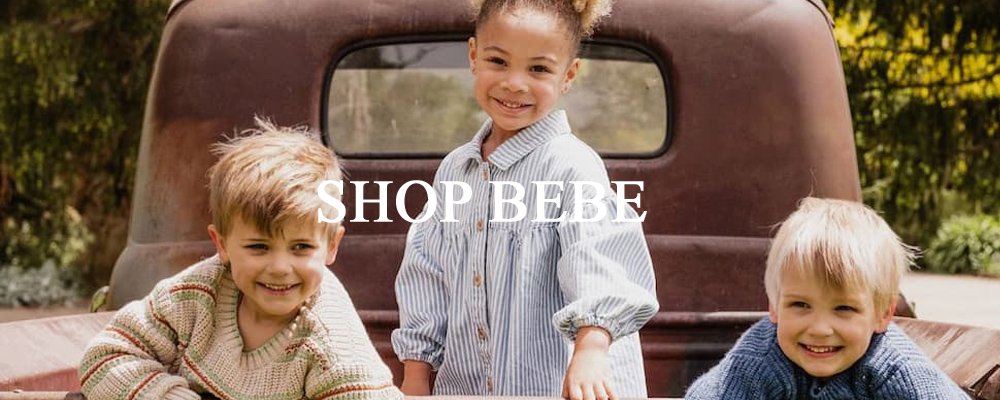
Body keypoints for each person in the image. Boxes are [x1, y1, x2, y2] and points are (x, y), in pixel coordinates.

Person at [391, 0, 659, 399]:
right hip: (464, 388)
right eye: (498, 61)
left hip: (555, 388)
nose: (515, 83)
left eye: (538, 69)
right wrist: (416, 374)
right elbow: (427, 273)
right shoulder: (455, 170)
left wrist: (591, 347)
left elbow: (599, 258)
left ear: (568, 75)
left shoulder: (572, 167)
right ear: (473, 57)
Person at [78, 119, 402, 400]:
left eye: (301, 247)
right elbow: (106, 356)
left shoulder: (331, 343)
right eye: (259, 247)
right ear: (222, 244)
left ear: (331, 246)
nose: (279, 267)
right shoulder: (196, 296)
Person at [685, 197, 969, 399]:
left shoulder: (893, 365)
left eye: (844, 308)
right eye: (800, 305)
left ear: (882, 314)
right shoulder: (760, 357)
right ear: (774, 306)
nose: (820, 329)